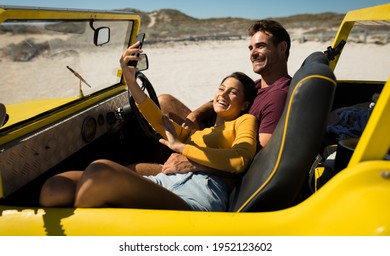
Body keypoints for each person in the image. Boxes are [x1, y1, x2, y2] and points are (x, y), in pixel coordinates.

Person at [39, 44, 258, 211]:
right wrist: (131, 82)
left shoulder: (244, 121)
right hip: (165, 182)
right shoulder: (200, 132)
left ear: (245, 103)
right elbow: (157, 120)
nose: (224, 94)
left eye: (233, 92)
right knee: (56, 186)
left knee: (100, 171)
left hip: (197, 194)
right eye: (222, 88)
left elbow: (239, 161)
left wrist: (182, 149)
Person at [157, 20, 291, 174]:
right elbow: (220, 100)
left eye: (260, 46)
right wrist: (195, 115)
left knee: (133, 169)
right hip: (214, 136)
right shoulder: (259, 85)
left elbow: (259, 159)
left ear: (282, 48)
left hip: (221, 162)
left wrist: (195, 163)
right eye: (251, 48)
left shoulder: (277, 96)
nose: (253, 54)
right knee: (165, 101)